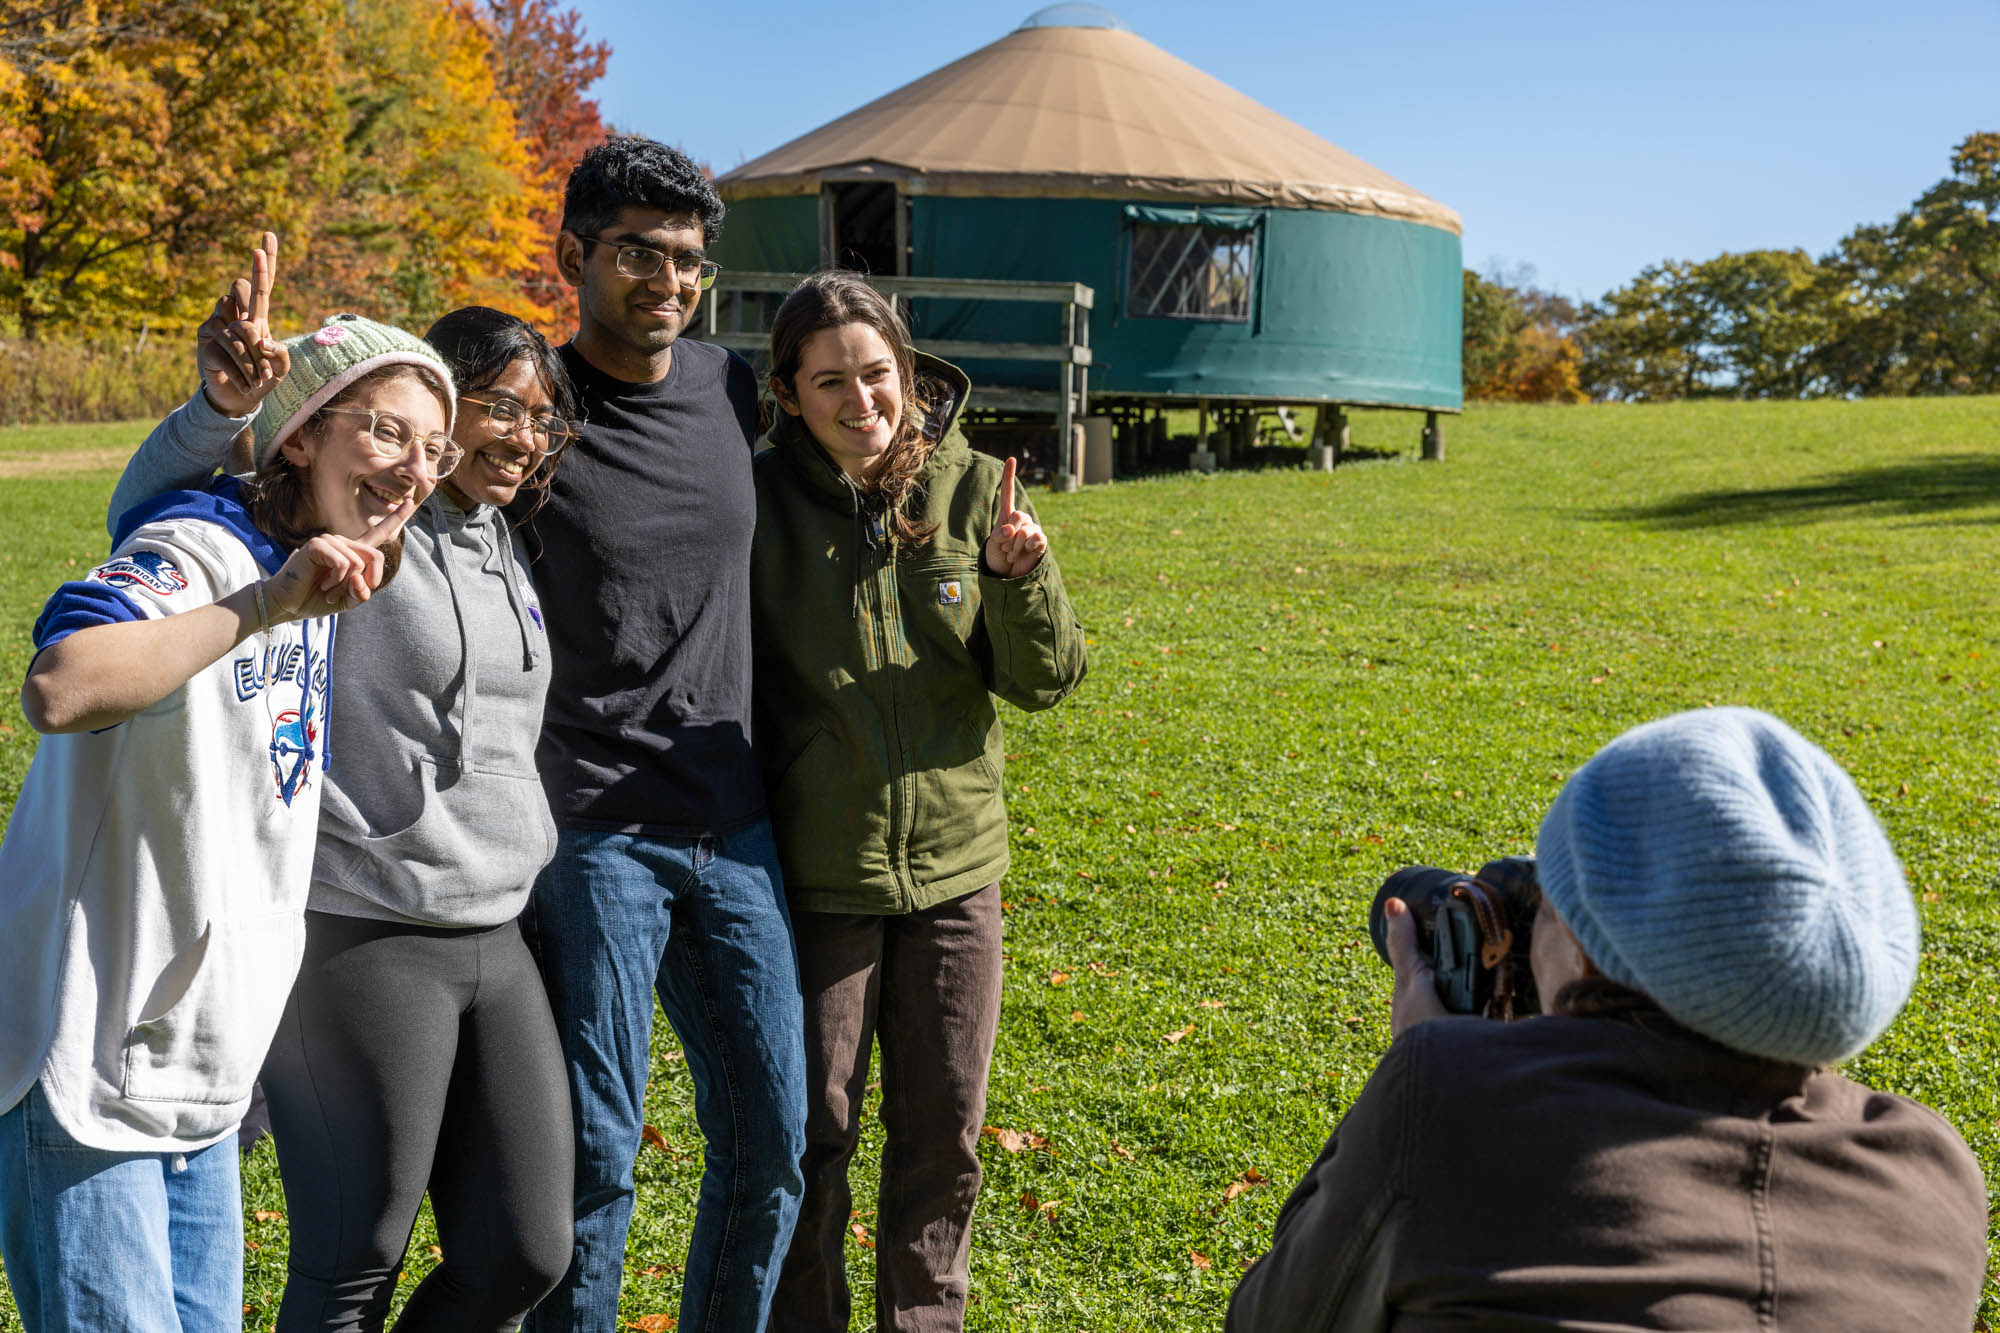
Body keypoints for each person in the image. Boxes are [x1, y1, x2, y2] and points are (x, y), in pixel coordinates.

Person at [107, 236, 581, 1332]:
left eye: (537, 416)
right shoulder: (348, 522)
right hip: (365, 922)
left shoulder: (503, 536)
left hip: (496, 927)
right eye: (496, 409)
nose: (519, 435)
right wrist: (218, 409)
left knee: (524, 1251)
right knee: (353, 1256)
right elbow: (155, 505)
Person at [1226, 707, 1989, 1333]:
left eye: (1548, 908)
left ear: (1588, 957)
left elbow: (1272, 1319)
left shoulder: (1447, 1096)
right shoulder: (1935, 1173)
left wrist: (1429, 1055)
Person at [0, 294, 446, 1333]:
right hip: (87, 1058)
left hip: (201, 1068)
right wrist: (265, 604)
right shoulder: (207, 553)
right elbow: (60, 686)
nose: (414, 467)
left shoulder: (318, 570)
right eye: (384, 427)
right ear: (298, 436)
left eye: (431, 447)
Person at [753, 271, 1088, 1333]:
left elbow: (1045, 678)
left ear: (909, 373)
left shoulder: (975, 485)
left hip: (954, 866)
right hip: (820, 870)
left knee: (943, 1130)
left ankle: (923, 1324)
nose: (860, 402)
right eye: (829, 383)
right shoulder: (755, 500)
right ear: (789, 393)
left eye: (876, 374)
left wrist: (1019, 578)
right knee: (813, 1132)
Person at [519, 136, 807, 1333]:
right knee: (596, 1160)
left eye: (690, 260)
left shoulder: (729, 389)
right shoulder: (525, 405)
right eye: (640, 252)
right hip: (589, 833)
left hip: (732, 823)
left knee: (774, 1141)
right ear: (574, 253)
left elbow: (861, 421)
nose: (670, 281)